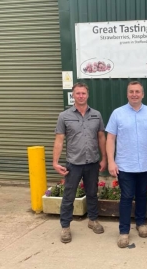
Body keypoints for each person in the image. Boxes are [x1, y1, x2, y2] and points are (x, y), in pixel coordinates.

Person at [105, 81, 147, 248]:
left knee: (142, 195)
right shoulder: (118, 113)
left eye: (138, 91)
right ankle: (124, 232)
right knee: (126, 197)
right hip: (125, 165)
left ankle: (140, 223)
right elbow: (110, 138)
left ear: (143, 94)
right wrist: (111, 161)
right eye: (131, 91)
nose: (134, 94)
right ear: (127, 94)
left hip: (145, 164)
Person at [53, 82, 107, 243]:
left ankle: (93, 220)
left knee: (92, 193)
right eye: (78, 93)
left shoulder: (96, 115)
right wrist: (55, 162)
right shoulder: (64, 116)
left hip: (92, 163)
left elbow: (101, 137)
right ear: (73, 95)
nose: (81, 96)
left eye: (83, 93)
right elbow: (59, 140)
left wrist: (104, 158)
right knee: (68, 196)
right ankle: (65, 227)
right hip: (73, 163)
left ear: (87, 95)